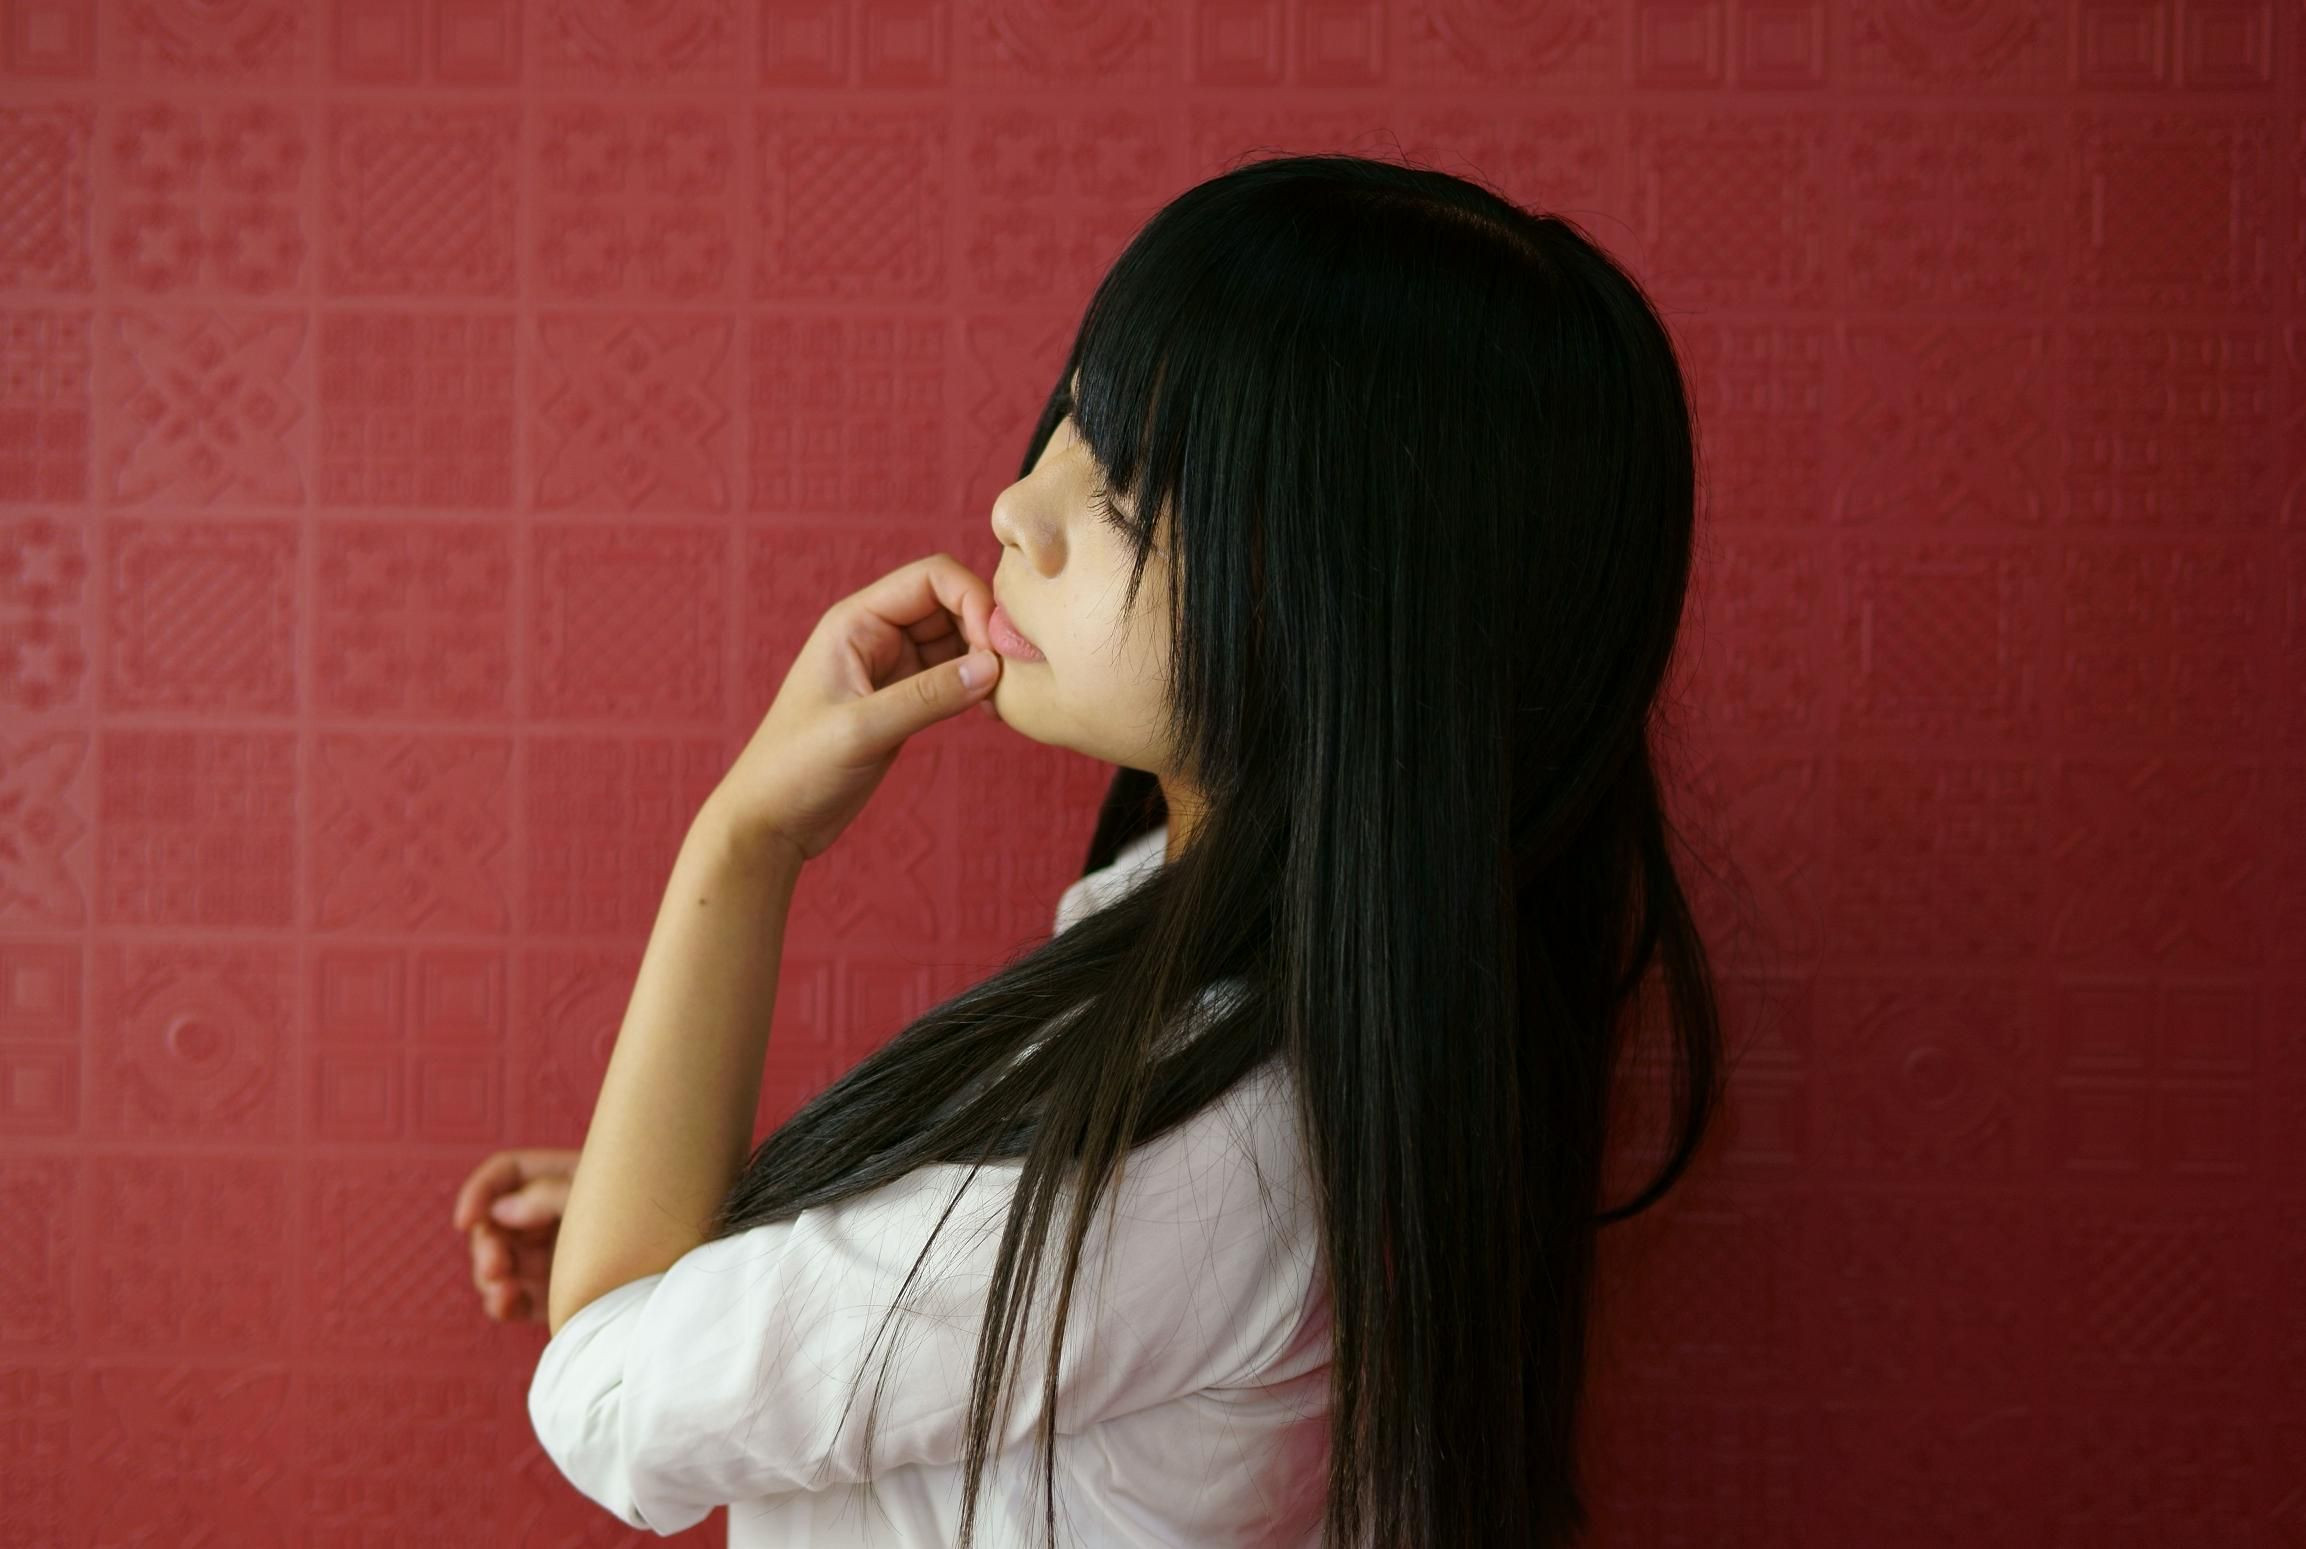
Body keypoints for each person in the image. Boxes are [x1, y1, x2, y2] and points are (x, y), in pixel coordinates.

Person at [452, 151, 1727, 1548]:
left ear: (1350, 623)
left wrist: (746, 836)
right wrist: (742, 1228)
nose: (1021, 507)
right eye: (1073, 412)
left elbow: (605, 1393)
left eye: (1126, 493)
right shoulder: (1310, 1002)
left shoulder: (1182, 1152)